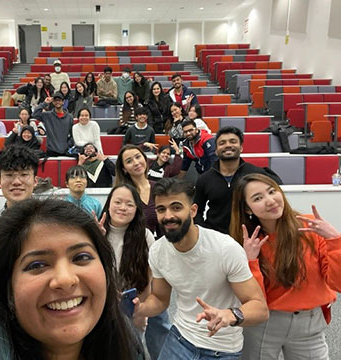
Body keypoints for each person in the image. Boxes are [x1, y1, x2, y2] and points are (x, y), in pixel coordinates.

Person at [0, 199, 144, 359]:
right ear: (7, 287)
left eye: (81, 257)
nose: (65, 280)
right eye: (37, 265)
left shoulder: (125, 340)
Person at [134, 177, 269, 360]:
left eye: (176, 207)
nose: (168, 216)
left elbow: (260, 308)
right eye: (161, 209)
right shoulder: (158, 251)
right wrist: (138, 308)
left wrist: (230, 315)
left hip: (221, 349)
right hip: (180, 339)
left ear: (193, 210)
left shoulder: (225, 248)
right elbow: (160, 299)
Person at [230, 173, 341, 360]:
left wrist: (334, 241)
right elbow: (253, 299)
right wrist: (250, 261)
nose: (270, 201)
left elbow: (338, 283)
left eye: (272, 191)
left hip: (309, 324)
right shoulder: (248, 242)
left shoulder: (309, 228)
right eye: (258, 198)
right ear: (247, 209)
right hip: (264, 323)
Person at [114, 145, 171, 359]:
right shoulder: (123, 194)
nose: (136, 162)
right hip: (135, 263)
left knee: (160, 317)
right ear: (124, 168)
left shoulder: (160, 188)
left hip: (162, 261)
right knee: (133, 320)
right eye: (129, 161)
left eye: (138, 157)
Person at [0, 145, 39, 295]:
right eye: (9, 175)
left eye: (24, 174)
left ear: (35, 180)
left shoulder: (54, 225)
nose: (16, 181)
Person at [194, 126, 283, 234]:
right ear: (216, 151)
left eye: (233, 141)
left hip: (251, 237)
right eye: (222, 143)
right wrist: (206, 233)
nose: (228, 145)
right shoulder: (204, 179)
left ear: (241, 148)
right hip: (216, 238)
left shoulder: (256, 174)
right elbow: (197, 211)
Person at [102, 184, 155, 332]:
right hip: (101, 306)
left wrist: (140, 311)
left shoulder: (145, 236)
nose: (123, 208)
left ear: (137, 209)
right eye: (117, 202)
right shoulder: (98, 232)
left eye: (129, 204)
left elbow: (147, 279)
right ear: (109, 204)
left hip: (132, 306)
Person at [32, 91, 74, 157]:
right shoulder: (47, 115)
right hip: (51, 151)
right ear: (53, 102)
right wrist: (45, 103)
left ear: (63, 102)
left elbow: (72, 134)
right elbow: (35, 114)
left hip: (65, 151)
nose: (57, 102)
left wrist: (67, 145)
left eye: (59, 100)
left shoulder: (69, 117)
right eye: (55, 100)